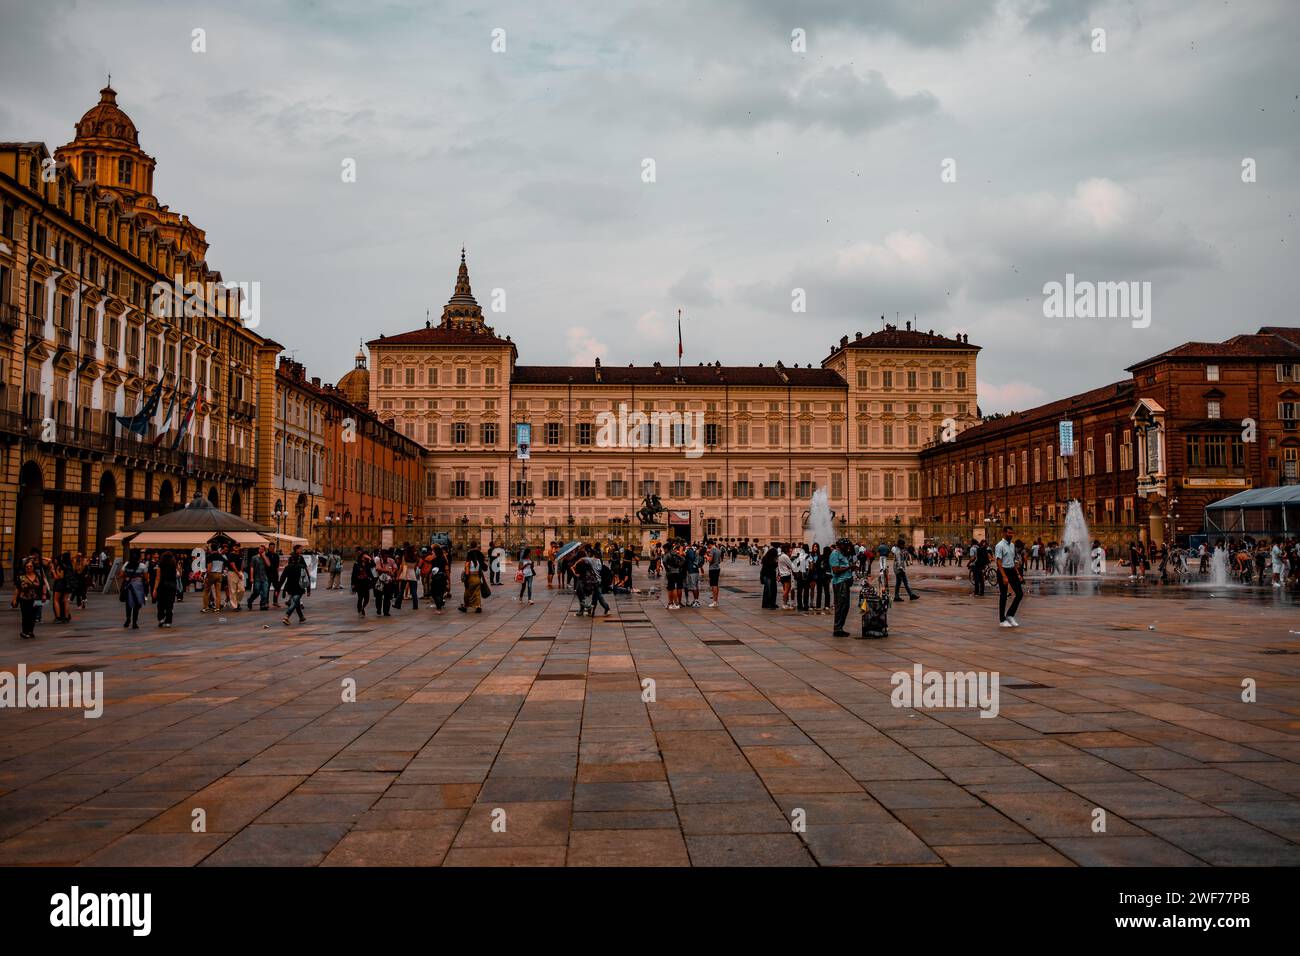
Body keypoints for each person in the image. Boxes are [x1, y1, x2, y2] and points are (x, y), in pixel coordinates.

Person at [995, 526, 1023, 628]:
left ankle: (1010, 614)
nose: (1011, 535)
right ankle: (1002, 620)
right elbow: (998, 561)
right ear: (1004, 533)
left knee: (1019, 594)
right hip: (1003, 570)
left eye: (1012, 533)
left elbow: (1012, 561)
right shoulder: (999, 545)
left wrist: (1018, 574)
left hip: (1011, 570)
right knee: (1003, 595)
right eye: (1009, 533)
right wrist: (1003, 576)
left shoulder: (1012, 545)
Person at [12, 557, 46, 640]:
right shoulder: (21, 577)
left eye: (30, 566)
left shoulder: (38, 576)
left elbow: (43, 585)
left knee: (33, 616)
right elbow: (18, 589)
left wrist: (44, 595)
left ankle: (30, 631)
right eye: (27, 566)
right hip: (24, 599)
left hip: (36, 599)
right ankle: (24, 632)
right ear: (24, 567)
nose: (29, 568)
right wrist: (14, 599)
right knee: (25, 616)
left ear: (33, 567)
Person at [278, 544, 310, 625]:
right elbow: (306, 579)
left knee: (296, 602)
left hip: (290, 587)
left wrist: (279, 589)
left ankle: (301, 617)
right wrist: (308, 589)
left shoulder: (288, 567)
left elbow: (282, 578)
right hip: (299, 587)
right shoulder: (302, 567)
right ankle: (287, 616)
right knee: (294, 602)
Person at [829, 538, 855, 637]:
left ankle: (840, 627)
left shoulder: (842, 554)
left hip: (845, 582)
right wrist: (849, 568)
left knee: (845, 606)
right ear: (840, 546)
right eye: (846, 546)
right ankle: (837, 628)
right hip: (840, 583)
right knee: (841, 606)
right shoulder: (835, 554)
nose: (848, 548)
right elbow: (835, 570)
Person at [119, 548, 148, 629]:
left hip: (129, 587)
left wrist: (127, 577)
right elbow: (146, 577)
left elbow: (121, 575)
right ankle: (134, 622)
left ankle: (128, 619)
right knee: (137, 604)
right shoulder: (142, 566)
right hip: (138, 587)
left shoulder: (126, 564)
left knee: (128, 604)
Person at [152, 551, 179, 628]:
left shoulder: (160, 565)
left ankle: (161, 618)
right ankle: (168, 622)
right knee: (170, 604)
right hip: (172, 586)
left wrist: (154, 589)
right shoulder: (174, 565)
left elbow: (157, 578)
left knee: (161, 603)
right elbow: (179, 574)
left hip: (162, 586)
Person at [890, 537, 919, 602]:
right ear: (900, 544)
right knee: (906, 582)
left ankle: (896, 597)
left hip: (897, 569)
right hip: (899, 569)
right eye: (903, 545)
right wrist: (901, 568)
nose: (904, 546)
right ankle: (911, 595)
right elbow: (899, 560)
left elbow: (904, 554)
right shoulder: (898, 551)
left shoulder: (898, 550)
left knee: (898, 583)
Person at [459, 547, 485, 613]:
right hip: (478, 578)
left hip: (471, 578)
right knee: (477, 593)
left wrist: (466, 580)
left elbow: (467, 573)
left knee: (467, 593)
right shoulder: (478, 562)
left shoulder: (468, 562)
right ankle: (478, 607)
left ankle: (465, 606)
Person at [352, 549, 375, 616]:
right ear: (361, 557)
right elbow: (353, 575)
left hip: (366, 583)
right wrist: (353, 584)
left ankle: (363, 607)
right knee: (360, 598)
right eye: (364, 557)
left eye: (366, 557)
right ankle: (360, 610)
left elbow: (374, 565)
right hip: (359, 583)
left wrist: (370, 558)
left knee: (367, 598)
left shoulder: (368, 564)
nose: (365, 558)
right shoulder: (356, 564)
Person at [248, 546, 271, 610]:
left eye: (263, 550)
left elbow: (269, 565)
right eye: (260, 549)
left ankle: (263, 604)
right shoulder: (254, 558)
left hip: (265, 577)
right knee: (257, 591)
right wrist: (251, 577)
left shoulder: (266, 557)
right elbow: (252, 568)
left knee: (265, 592)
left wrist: (264, 557)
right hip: (257, 577)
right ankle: (250, 600)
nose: (261, 550)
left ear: (264, 551)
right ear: (258, 549)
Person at [663, 542, 685, 609]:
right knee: (674, 588)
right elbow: (683, 559)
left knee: (671, 588)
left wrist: (667, 568)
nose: (664, 550)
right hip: (677, 572)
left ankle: (673, 603)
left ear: (666, 549)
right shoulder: (675, 553)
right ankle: (673, 603)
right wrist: (679, 565)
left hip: (670, 573)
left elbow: (664, 561)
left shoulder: (667, 554)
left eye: (664, 549)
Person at [706, 539, 722, 608]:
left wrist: (706, 556)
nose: (708, 547)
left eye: (708, 545)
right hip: (717, 568)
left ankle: (714, 602)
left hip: (712, 569)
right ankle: (716, 600)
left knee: (713, 585)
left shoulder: (712, 550)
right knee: (716, 584)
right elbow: (719, 561)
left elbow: (710, 560)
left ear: (710, 544)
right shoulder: (718, 550)